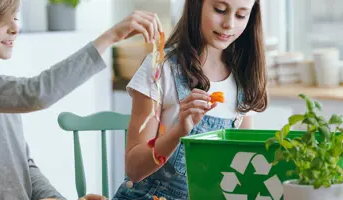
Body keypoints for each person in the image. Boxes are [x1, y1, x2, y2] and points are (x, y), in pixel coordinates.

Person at [0, 0, 163, 199]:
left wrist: (54, 198)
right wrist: (111, 36)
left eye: (15, 18)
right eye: (1, 20)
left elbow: (24, 167)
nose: (14, 28)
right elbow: (35, 93)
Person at [112, 0, 268, 199]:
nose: (229, 23)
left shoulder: (244, 79)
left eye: (241, 15)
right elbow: (134, 169)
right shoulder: (161, 69)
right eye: (220, 10)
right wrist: (179, 131)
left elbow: (243, 167)